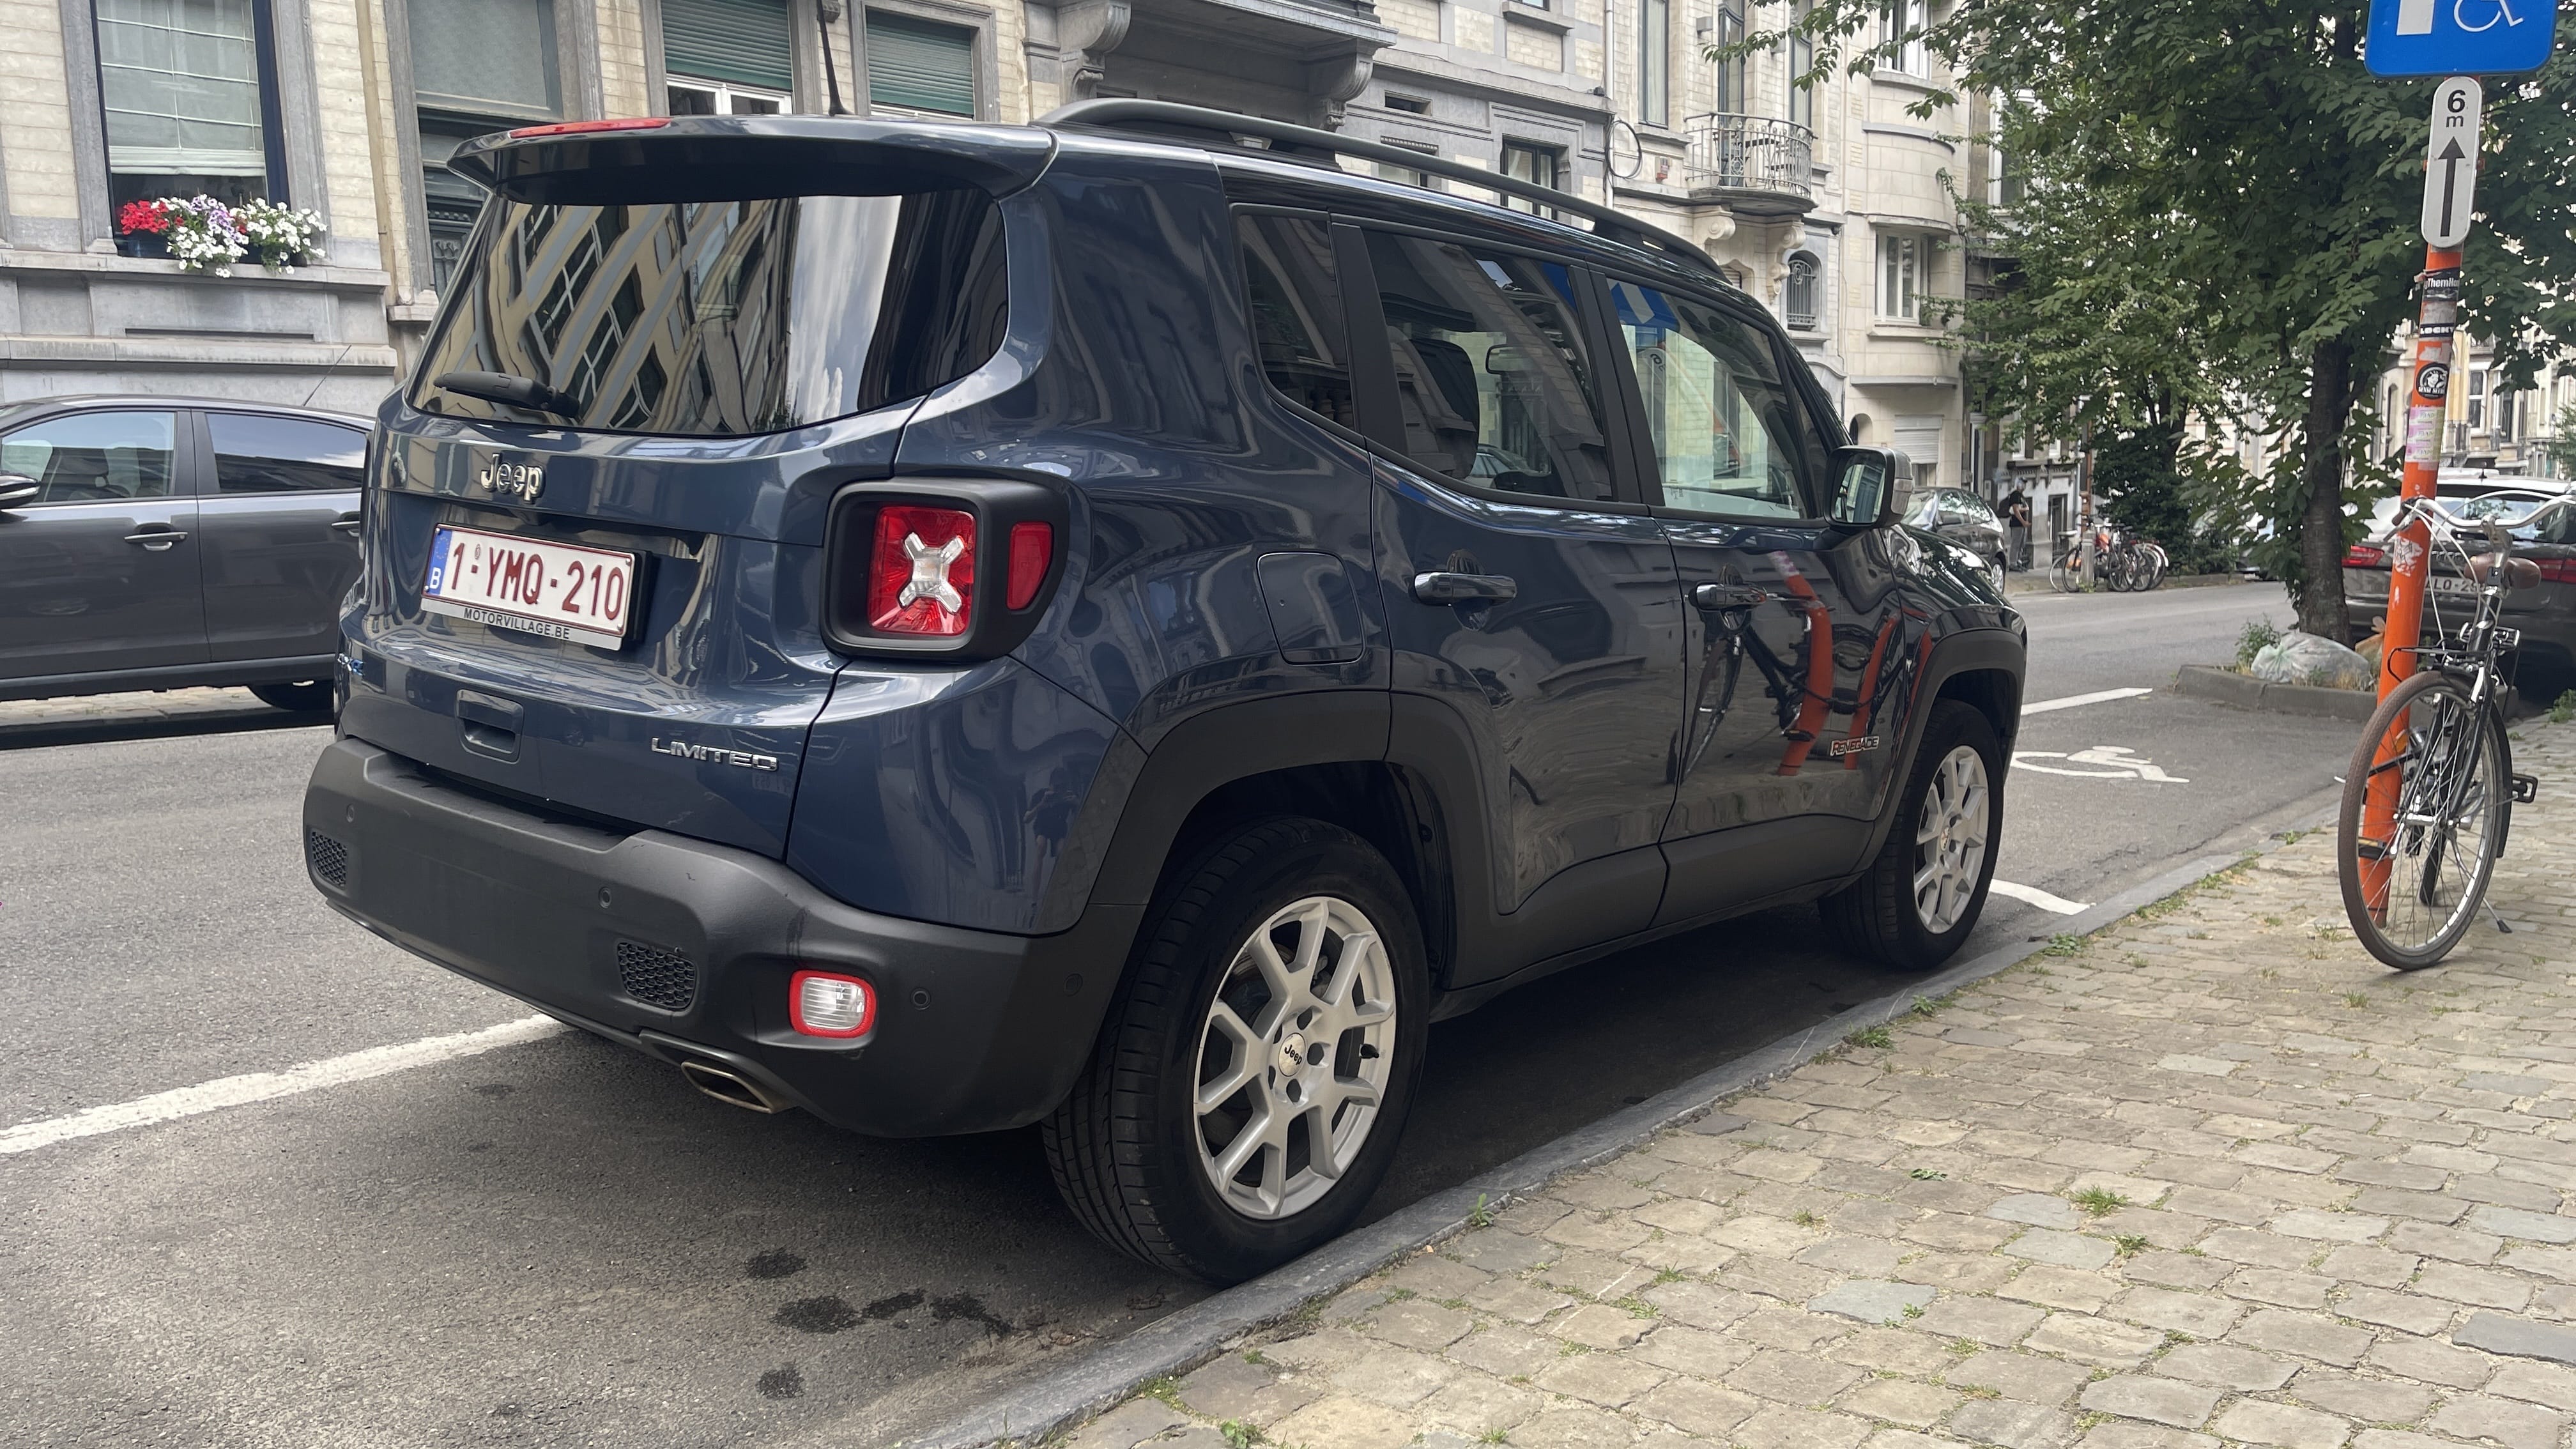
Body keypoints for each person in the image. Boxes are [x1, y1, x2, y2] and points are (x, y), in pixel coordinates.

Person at [2000, 488, 2032, 571]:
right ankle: (2013, 564)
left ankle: (2018, 562)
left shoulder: (2021, 496)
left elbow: (2023, 508)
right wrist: (2023, 522)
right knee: (2016, 544)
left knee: (2021, 544)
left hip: (2022, 525)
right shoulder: (2015, 495)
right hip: (2017, 525)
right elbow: (2016, 510)